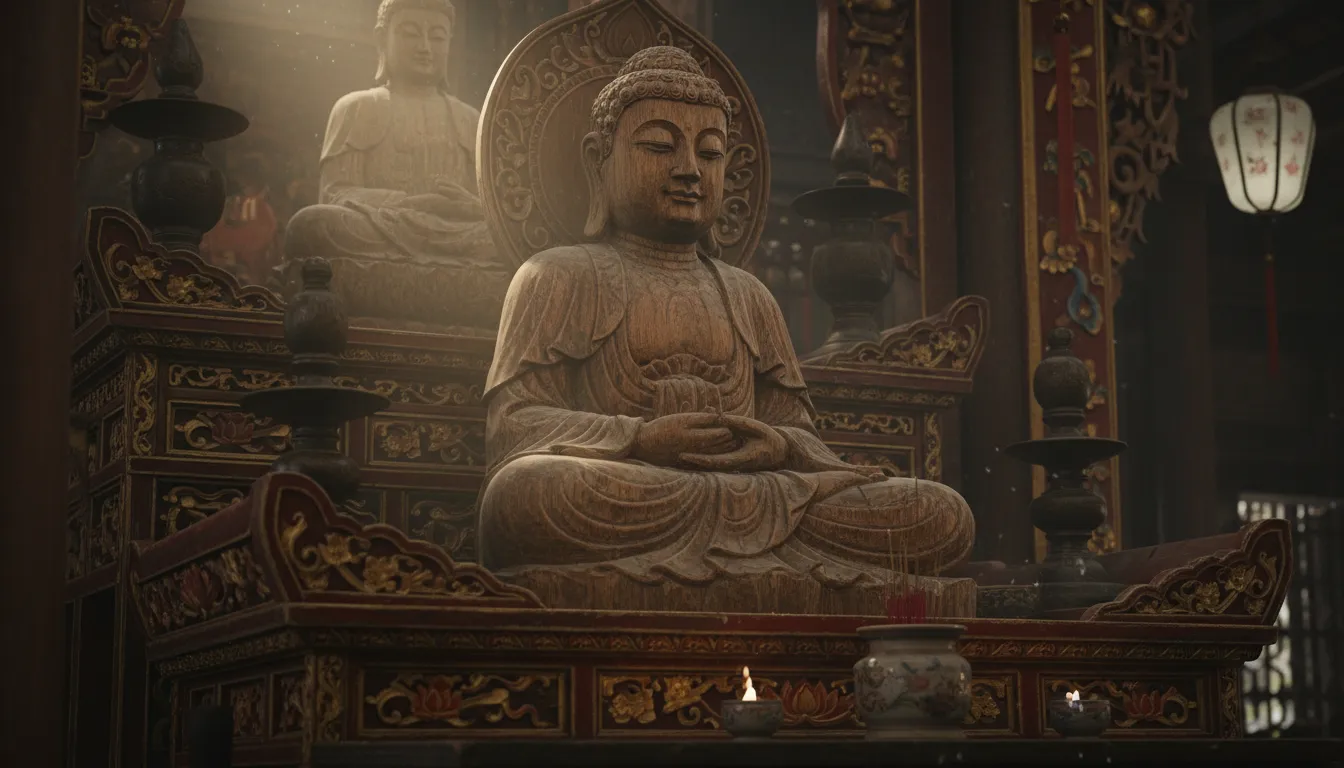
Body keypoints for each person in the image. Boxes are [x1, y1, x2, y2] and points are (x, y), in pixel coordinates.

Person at [477, 47, 975, 597]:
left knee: (939, 513)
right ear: (599, 159)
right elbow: (515, 427)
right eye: (660, 146)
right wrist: (638, 438)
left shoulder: (748, 293)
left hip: (763, 499)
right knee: (527, 495)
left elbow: (802, 438)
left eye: (710, 154)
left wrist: (776, 446)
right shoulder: (556, 275)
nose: (689, 169)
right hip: (635, 490)